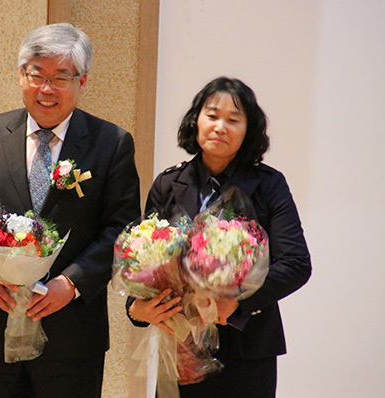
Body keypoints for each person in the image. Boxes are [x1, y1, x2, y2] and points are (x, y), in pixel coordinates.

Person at [0, 23, 141, 398]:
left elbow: (122, 230)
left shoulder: (112, 143)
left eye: (61, 77)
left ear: (83, 82)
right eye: (36, 74)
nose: (46, 88)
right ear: (21, 75)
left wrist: (71, 283)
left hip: (73, 334)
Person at [127, 77, 312, 397]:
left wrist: (236, 302)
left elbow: (296, 264)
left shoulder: (269, 185)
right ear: (195, 121)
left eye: (233, 119)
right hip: (180, 349)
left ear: (249, 129)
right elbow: (142, 261)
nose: (220, 126)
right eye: (212, 116)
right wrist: (138, 309)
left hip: (247, 350)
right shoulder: (168, 184)